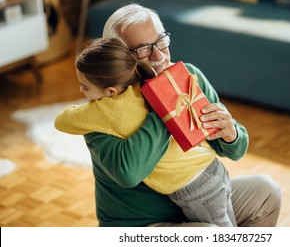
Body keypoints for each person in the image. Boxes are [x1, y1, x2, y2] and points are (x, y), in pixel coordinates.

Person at [69, 3, 281, 227]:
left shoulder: (189, 76)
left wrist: (232, 135)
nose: (159, 55)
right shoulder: (101, 109)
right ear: (120, 57)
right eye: (143, 49)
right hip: (141, 224)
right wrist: (165, 103)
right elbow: (128, 174)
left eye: (161, 41)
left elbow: (233, 150)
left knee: (266, 193)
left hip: (195, 203)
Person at [55, 37, 238, 226]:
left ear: (111, 92)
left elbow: (61, 121)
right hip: (212, 168)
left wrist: (91, 106)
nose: (81, 90)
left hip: (196, 189)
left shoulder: (104, 110)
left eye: (85, 87)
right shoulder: (147, 87)